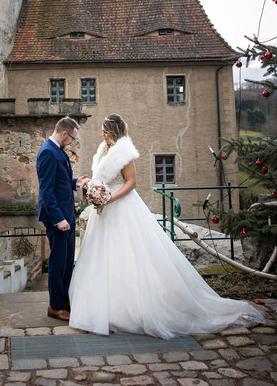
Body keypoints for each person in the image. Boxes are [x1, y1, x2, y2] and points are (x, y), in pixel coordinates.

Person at [69, 114, 264, 338]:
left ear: (114, 131)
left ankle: (129, 310)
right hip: (103, 212)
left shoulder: (124, 153)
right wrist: (94, 194)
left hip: (121, 207)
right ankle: (101, 308)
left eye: (105, 130)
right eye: (102, 130)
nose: (102, 134)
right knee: (100, 257)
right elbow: (101, 178)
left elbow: (132, 183)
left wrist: (109, 199)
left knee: (128, 256)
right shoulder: (103, 149)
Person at [37, 116, 89, 321]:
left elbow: (61, 181)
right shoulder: (48, 153)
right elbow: (46, 191)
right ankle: (55, 306)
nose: (73, 142)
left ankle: (65, 301)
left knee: (67, 262)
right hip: (58, 219)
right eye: (72, 138)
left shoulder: (58, 151)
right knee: (58, 264)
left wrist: (76, 182)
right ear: (64, 133)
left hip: (67, 215)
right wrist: (58, 219)